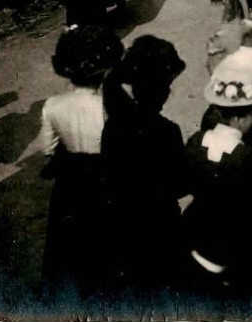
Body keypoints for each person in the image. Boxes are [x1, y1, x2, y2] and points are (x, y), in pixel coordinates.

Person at [183, 47, 252, 295]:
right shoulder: (249, 158)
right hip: (235, 243)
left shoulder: (196, 140)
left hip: (197, 233)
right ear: (240, 119)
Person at [40, 25, 124, 303]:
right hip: (105, 177)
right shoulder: (108, 107)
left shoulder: (52, 105)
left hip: (71, 183)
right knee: (108, 245)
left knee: (68, 248)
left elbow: (46, 150)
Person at [101, 36, 188, 299]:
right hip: (159, 224)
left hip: (122, 223)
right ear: (163, 91)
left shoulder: (113, 126)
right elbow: (180, 184)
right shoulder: (167, 131)